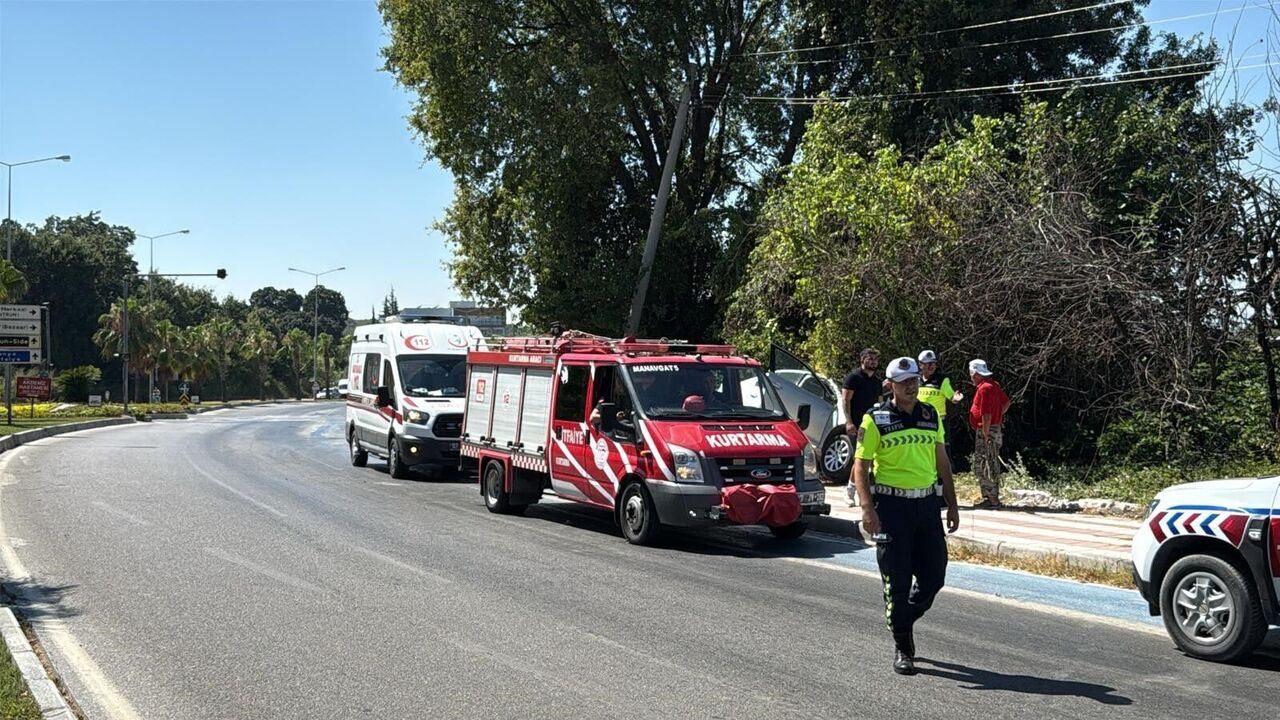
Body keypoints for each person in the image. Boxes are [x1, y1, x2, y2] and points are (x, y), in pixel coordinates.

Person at [852, 356, 960, 675]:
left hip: (926, 506)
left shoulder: (930, 415)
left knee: (934, 576)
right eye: (903, 382)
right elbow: (861, 465)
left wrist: (952, 503)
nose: (911, 386)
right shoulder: (875, 419)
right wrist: (867, 508)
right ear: (890, 386)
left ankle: (903, 617)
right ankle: (903, 645)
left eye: (914, 380)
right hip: (892, 507)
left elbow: (942, 461)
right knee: (896, 580)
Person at [968, 359, 1010, 509]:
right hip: (993, 427)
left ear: (976, 373)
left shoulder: (985, 388)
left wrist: (986, 432)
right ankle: (990, 497)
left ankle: (992, 499)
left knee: (985, 463)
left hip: (987, 430)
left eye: (972, 374)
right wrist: (998, 415)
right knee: (990, 461)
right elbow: (1006, 403)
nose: (971, 377)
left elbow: (986, 413)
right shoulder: (994, 385)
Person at [843, 348, 881, 501]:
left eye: (875, 359)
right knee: (860, 459)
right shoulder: (853, 378)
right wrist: (849, 422)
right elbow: (845, 400)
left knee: (872, 460)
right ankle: (850, 490)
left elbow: (880, 404)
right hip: (857, 425)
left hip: (874, 426)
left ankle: (868, 493)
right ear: (862, 359)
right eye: (870, 358)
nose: (873, 362)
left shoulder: (877, 381)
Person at [916, 350, 964, 467]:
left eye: (933, 363)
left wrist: (956, 398)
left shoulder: (942, 380)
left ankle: (945, 476)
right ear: (920, 364)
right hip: (919, 421)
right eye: (928, 363)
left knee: (942, 452)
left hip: (939, 422)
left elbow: (951, 396)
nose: (931, 366)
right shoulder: (915, 380)